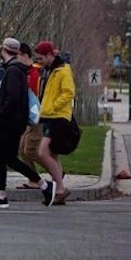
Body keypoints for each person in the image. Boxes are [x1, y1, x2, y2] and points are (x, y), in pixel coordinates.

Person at [0, 38, 56, 208]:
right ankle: (2, 195)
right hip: (13, 123)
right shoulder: (17, 70)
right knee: (0, 157)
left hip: (8, 123)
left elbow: (13, 98)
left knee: (6, 157)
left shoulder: (13, 71)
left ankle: (43, 185)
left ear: (4, 50)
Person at [35, 41, 75, 205]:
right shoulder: (49, 71)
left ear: (50, 55)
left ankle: (60, 187)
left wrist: (53, 106)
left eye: (41, 58)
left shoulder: (62, 70)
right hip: (49, 115)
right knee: (52, 154)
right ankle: (59, 190)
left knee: (43, 152)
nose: (39, 61)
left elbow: (69, 92)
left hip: (58, 117)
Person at [16, 43, 45, 189]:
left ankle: (55, 170)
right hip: (26, 116)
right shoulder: (24, 72)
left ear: (25, 56)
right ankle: (33, 178)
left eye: (17, 55)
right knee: (22, 149)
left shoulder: (35, 72)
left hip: (36, 115)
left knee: (30, 149)